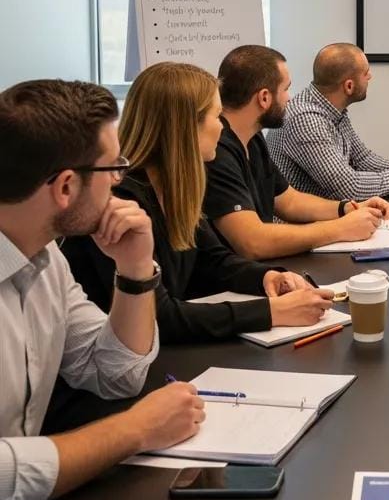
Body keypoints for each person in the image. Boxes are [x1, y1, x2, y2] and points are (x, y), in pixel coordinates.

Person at [0, 79, 203, 500]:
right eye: (112, 167)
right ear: (66, 187)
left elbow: (114, 374)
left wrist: (135, 269)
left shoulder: (46, 258)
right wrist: (135, 429)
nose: (118, 180)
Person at [63, 63, 335, 343]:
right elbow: (156, 316)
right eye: (217, 116)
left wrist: (267, 277)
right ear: (185, 127)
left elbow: (213, 260)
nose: (222, 127)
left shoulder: (177, 186)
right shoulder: (119, 203)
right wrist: (269, 312)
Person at [206, 45, 389, 259]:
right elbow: (252, 242)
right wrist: (341, 228)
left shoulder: (252, 138)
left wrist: (347, 208)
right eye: (286, 89)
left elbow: (289, 201)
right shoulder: (217, 150)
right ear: (264, 98)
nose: (290, 98)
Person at [267, 43, 389, 201]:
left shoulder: (332, 109)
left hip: (325, 212)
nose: (370, 76)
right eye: (365, 73)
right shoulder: (305, 119)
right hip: (301, 217)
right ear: (349, 86)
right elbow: (347, 187)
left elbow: (362, 159)